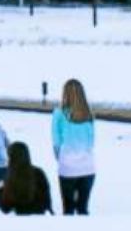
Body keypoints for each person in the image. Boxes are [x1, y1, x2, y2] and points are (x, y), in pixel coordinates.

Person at [52, 78, 97, 215]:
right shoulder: (89, 114)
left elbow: (56, 141)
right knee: (83, 209)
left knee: (68, 209)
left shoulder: (59, 114)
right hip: (88, 167)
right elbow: (91, 141)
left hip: (68, 167)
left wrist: (60, 158)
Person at [0, 141, 53, 215]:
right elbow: (46, 200)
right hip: (39, 217)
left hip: (19, 218)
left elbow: (5, 208)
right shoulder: (39, 173)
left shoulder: (9, 176)